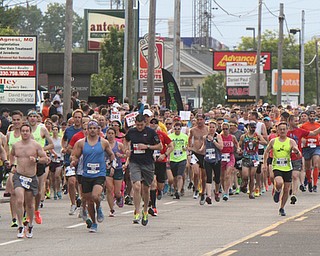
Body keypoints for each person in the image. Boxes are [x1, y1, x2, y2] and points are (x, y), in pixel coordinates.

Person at [71, 120, 115, 232]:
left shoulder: (103, 142)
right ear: (87, 130)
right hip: (86, 174)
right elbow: (75, 156)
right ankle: (94, 223)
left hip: (99, 174)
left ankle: (99, 206)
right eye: (90, 128)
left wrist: (112, 166)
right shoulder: (81, 143)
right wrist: (73, 161)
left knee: (95, 196)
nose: (92, 130)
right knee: (89, 200)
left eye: (94, 128)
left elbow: (111, 155)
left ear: (98, 130)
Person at [9, 124, 48, 238]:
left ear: (30, 132)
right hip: (19, 176)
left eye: (27, 131)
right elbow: (11, 155)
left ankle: (30, 225)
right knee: (19, 200)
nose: (25, 133)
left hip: (31, 177)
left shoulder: (35, 145)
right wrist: (13, 165)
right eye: (23, 131)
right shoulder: (16, 145)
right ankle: (20, 226)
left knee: (30, 204)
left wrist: (36, 159)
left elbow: (45, 159)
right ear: (20, 132)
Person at [124, 114, 162, 226]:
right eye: (138, 125)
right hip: (135, 162)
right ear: (135, 123)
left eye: (141, 125)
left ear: (145, 123)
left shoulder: (150, 132)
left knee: (146, 188)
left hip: (147, 163)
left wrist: (147, 147)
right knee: (136, 186)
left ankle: (145, 209)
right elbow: (126, 141)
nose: (140, 127)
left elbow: (159, 146)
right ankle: (136, 211)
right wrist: (126, 149)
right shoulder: (131, 132)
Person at [262, 122, 301, 216]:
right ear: (278, 131)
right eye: (281, 129)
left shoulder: (291, 141)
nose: (282, 131)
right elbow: (266, 152)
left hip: (287, 167)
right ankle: (277, 190)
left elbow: (298, 154)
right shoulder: (274, 141)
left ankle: (282, 207)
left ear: (287, 130)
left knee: (287, 189)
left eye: (284, 129)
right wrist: (264, 164)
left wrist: (296, 151)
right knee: (279, 182)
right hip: (277, 166)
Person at [27, 111, 53, 224]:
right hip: (27, 161)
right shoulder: (25, 129)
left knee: (37, 190)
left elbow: (51, 144)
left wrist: (41, 149)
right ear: (27, 118)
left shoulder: (42, 129)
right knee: (27, 190)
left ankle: (36, 210)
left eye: (35, 116)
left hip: (40, 161)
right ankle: (28, 213)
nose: (33, 119)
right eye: (31, 117)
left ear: (38, 118)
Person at [287, 114, 320, 203]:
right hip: (285, 157)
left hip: (296, 156)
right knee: (288, 177)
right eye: (295, 121)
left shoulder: (300, 131)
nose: (297, 122)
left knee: (295, 176)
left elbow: (313, 133)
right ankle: (288, 189)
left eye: (298, 121)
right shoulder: (284, 131)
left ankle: (294, 194)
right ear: (289, 121)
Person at [149, 118, 173, 215]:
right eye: (152, 123)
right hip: (150, 162)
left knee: (160, 185)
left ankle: (158, 191)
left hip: (161, 161)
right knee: (152, 182)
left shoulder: (162, 134)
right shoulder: (146, 134)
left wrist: (165, 155)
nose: (153, 124)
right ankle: (153, 207)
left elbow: (171, 145)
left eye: (155, 123)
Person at [61, 109, 83, 215]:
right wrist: (64, 147)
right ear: (73, 118)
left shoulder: (85, 131)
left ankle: (82, 202)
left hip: (83, 161)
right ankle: (73, 203)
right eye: (76, 117)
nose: (77, 119)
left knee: (81, 183)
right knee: (71, 182)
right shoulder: (69, 130)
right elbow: (64, 140)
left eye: (79, 117)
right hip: (70, 159)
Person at [239, 121, 267, 199]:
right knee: (245, 175)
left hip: (254, 158)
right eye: (252, 127)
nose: (253, 129)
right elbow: (239, 145)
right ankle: (244, 183)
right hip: (246, 157)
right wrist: (239, 150)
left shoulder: (257, 135)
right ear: (248, 127)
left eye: (254, 127)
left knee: (252, 176)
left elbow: (265, 142)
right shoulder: (243, 136)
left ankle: (251, 192)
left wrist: (258, 142)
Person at [199, 120, 223, 204]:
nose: (212, 129)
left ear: (216, 128)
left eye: (213, 127)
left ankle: (216, 192)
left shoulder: (218, 136)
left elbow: (221, 147)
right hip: (207, 159)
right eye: (210, 127)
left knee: (217, 178)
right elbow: (204, 145)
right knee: (208, 177)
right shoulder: (205, 137)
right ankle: (208, 196)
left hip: (216, 160)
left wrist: (213, 141)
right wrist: (201, 149)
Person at [105, 127, 126, 217]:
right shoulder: (103, 144)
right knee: (109, 188)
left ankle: (119, 198)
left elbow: (127, 154)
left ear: (115, 134)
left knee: (117, 192)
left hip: (118, 168)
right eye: (109, 133)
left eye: (112, 133)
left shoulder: (119, 145)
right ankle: (111, 209)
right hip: (107, 168)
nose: (110, 135)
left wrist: (121, 155)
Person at [188, 113, 208, 201]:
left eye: (201, 120)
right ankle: (196, 188)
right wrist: (190, 147)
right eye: (198, 120)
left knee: (204, 176)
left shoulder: (207, 129)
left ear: (204, 120)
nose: (199, 122)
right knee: (196, 172)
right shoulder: (193, 130)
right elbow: (190, 138)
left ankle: (203, 191)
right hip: (195, 152)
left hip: (204, 154)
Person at [299, 111, 320, 192]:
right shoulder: (303, 126)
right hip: (307, 148)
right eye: (310, 116)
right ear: (308, 117)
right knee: (308, 167)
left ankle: (315, 185)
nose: (311, 117)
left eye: (313, 116)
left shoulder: (318, 125)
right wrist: (303, 140)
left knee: (316, 164)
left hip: (316, 147)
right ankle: (309, 181)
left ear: (315, 116)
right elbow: (301, 135)